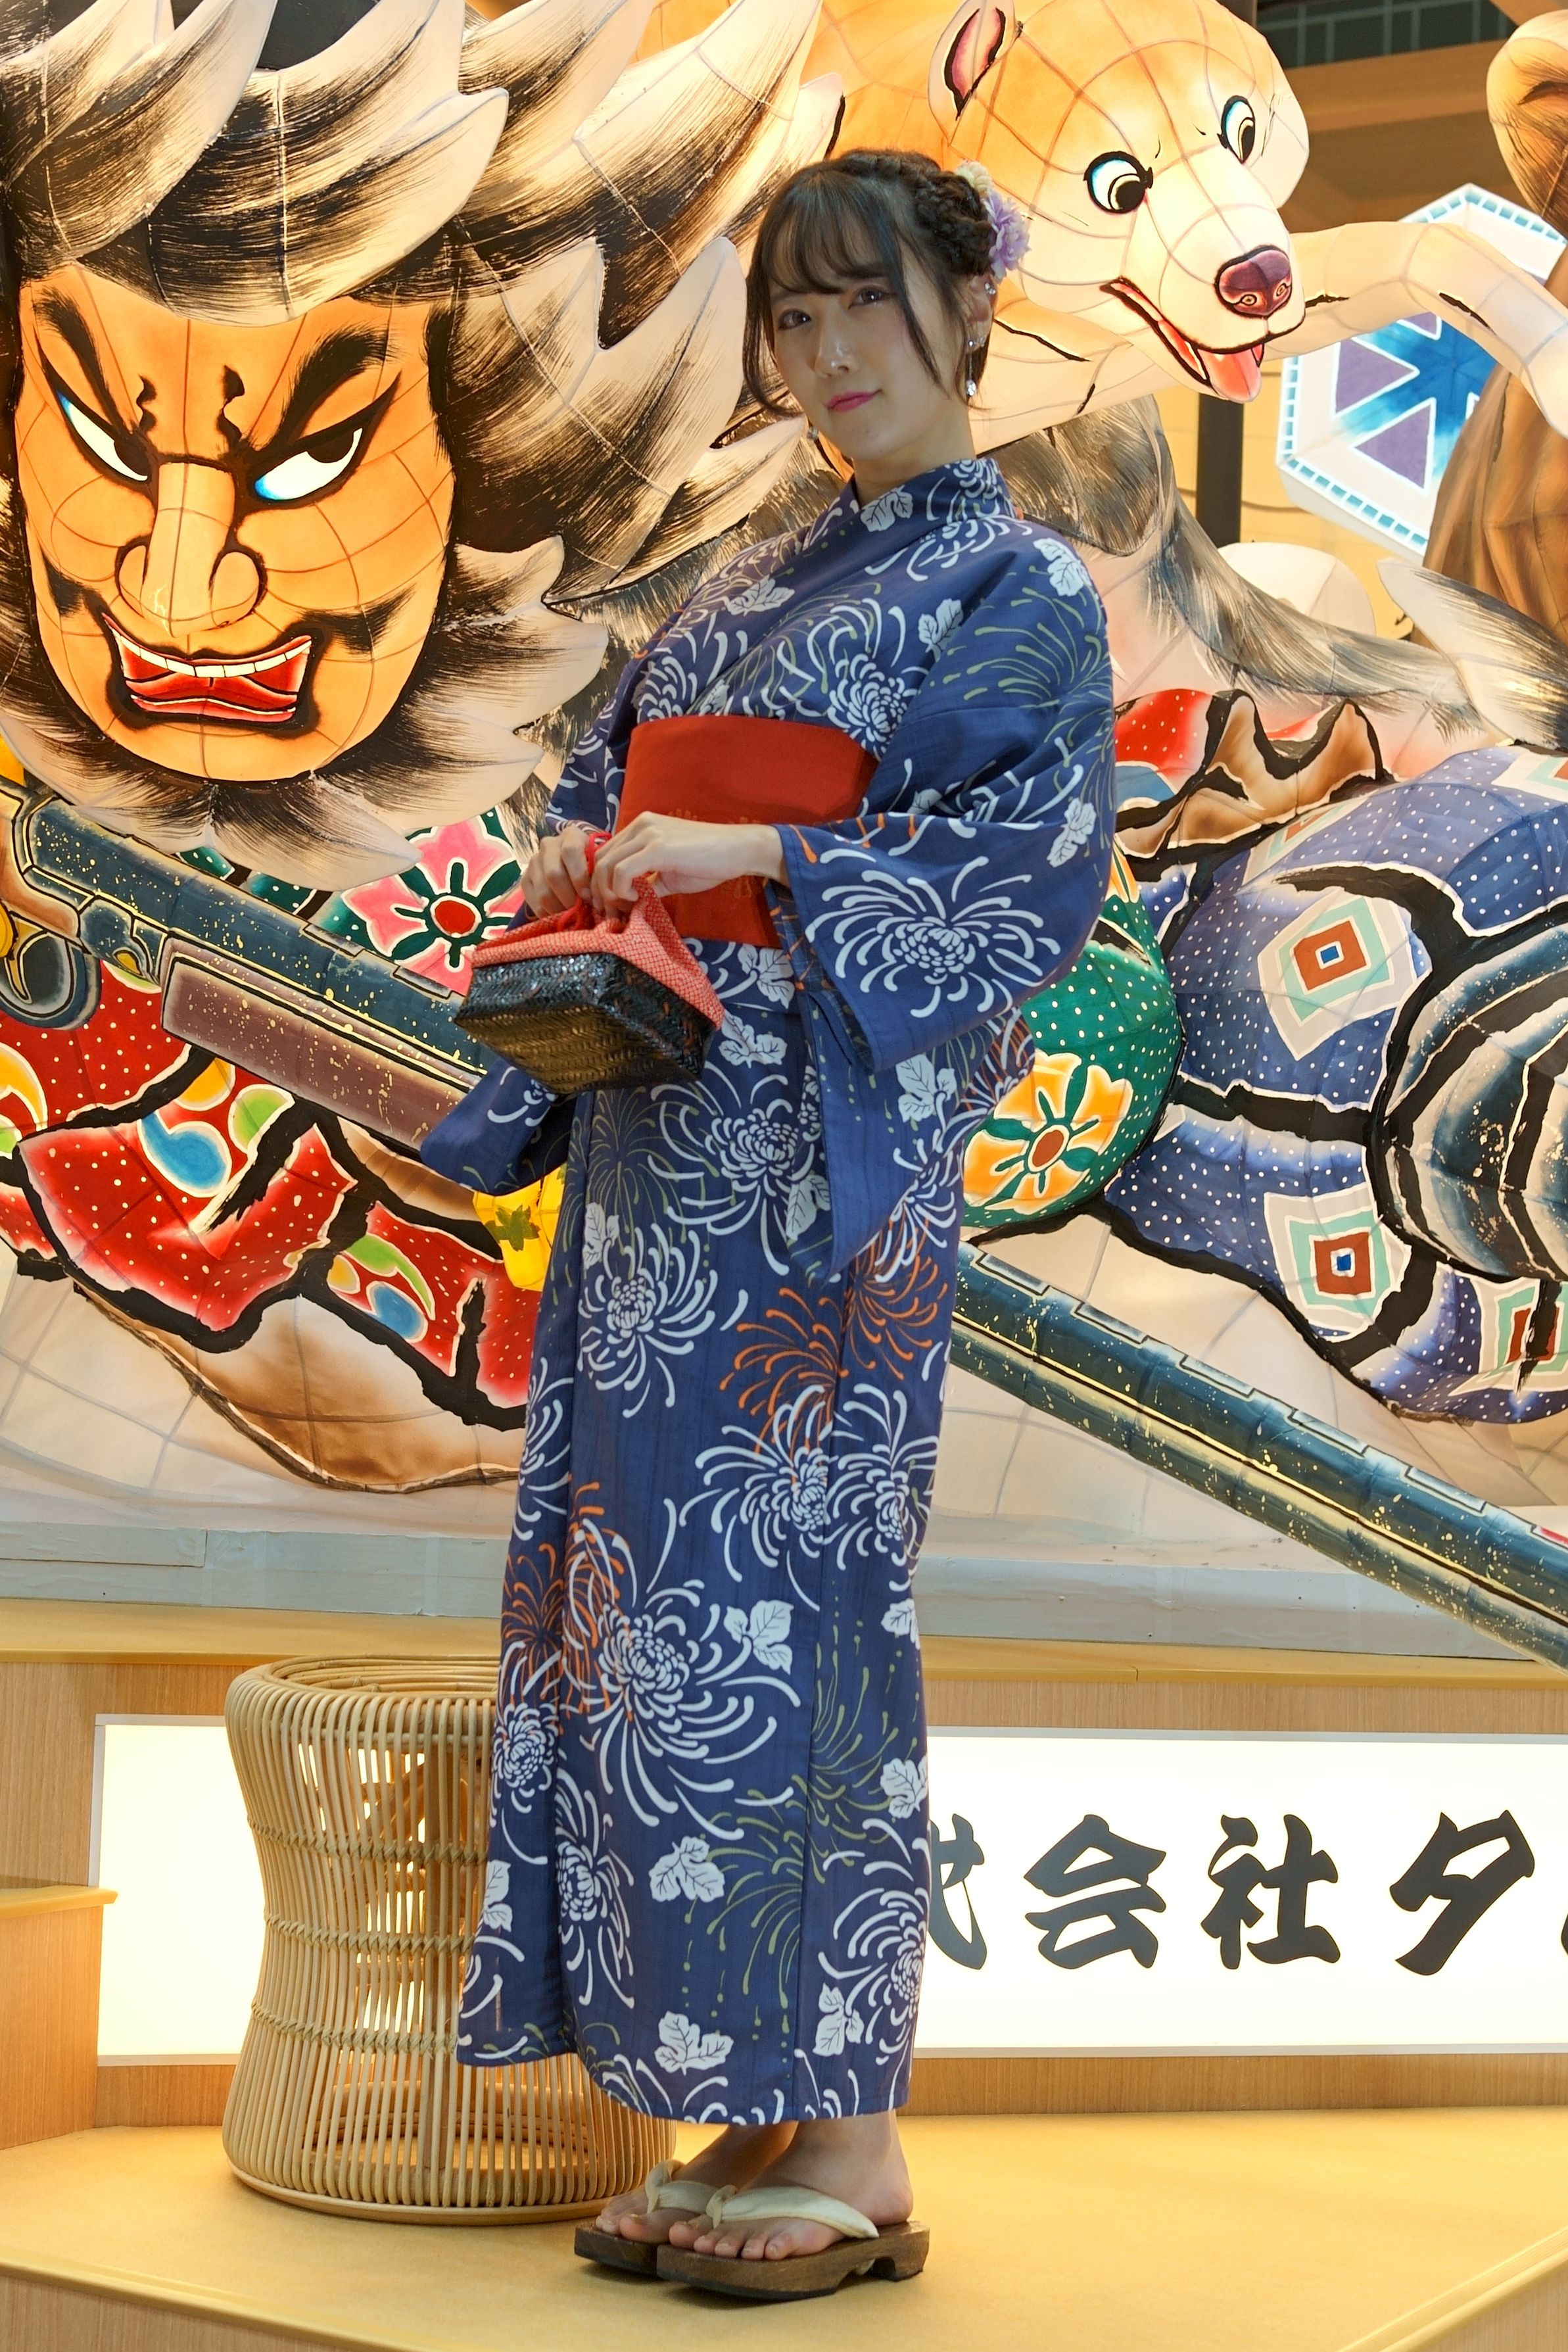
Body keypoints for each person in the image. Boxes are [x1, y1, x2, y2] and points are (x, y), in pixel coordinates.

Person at [421, 146, 1116, 2298]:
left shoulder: (1020, 585)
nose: (824, 356)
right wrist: (586, 858)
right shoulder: (749, 569)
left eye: (861, 305)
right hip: (659, 1165)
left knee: (791, 1624)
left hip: (820, 1187)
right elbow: (613, 779)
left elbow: (1017, 886)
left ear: (965, 313)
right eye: (792, 320)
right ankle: (739, 2105)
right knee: (636, 1630)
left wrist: (759, 857)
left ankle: (862, 2139)